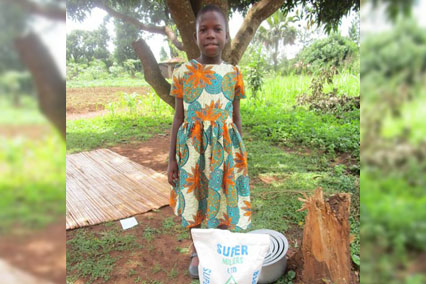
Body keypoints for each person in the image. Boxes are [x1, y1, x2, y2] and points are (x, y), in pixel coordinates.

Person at [167, 4, 251, 279]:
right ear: (195, 36)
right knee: (196, 199)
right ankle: (197, 249)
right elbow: (178, 119)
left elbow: (236, 118)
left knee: (223, 197)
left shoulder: (233, 74)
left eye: (217, 29)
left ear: (226, 36)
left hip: (225, 151)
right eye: (203, 30)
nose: (210, 35)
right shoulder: (182, 73)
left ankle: (219, 248)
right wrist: (171, 159)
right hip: (192, 151)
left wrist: (239, 155)